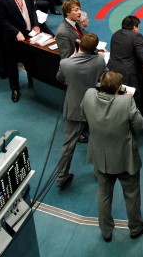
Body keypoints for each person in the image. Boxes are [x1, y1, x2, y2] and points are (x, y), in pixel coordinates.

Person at [81, 71, 143, 243]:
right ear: (119, 88)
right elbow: (139, 127)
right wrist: (130, 101)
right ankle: (136, 227)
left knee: (103, 194)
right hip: (124, 158)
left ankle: (106, 231)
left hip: (100, 156)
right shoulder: (127, 101)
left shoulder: (89, 95)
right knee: (132, 193)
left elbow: (84, 115)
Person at [55, 32, 107, 188]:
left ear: (79, 45)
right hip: (94, 106)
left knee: (68, 144)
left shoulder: (66, 63)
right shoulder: (99, 60)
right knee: (98, 141)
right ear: (94, 48)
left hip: (74, 108)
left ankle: (61, 176)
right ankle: (100, 173)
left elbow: (59, 78)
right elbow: (105, 76)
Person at [0, 0, 41, 103]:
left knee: (30, 59)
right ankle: (15, 88)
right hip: (13, 37)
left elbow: (32, 10)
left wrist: (36, 25)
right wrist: (15, 31)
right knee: (12, 64)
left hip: (29, 33)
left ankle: (32, 80)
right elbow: (1, 20)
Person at [107, 15, 143, 90]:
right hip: (128, 76)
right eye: (138, 27)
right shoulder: (137, 36)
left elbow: (123, 49)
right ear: (135, 27)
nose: (139, 29)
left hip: (112, 71)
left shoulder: (115, 34)